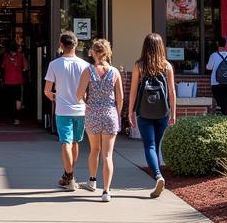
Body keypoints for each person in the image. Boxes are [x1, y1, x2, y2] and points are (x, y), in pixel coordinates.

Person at [128, 33, 176, 198]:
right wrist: (173, 113)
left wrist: (130, 112)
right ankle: (158, 175)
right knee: (156, 145)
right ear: (161, 47)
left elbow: (133, 90)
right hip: (163, 112)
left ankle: (157, 175)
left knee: (149, 146)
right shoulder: (167, 66)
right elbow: (171, 92)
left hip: (144, 112)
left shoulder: (139, 65)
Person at [75, 38, 123, 202]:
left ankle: (92, 180)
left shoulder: (88, 71)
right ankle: (107, 191)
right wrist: (117, 114)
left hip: (93, 113)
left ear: (94, 53)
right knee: (107, 155)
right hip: (110, 114)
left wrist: (87, 100)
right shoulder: (115, 72)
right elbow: (120, 97)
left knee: (94, 149)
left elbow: (79, 94)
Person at [43, 30, 90, 191]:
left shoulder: (54, 64)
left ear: (61, 45)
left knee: (66, 143)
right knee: (75, 142)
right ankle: (68, 175)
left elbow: (47, 91)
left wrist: (56, 98)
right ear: (76, 45)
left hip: (63, 110)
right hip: (80, 109)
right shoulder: (85, 65)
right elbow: (88, 90)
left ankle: (69, 177)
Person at [205, 36, 227, 115]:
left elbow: (209, 68)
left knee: (220, 103)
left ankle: (223, 116)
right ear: (226, 45)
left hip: (216, 83)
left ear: (217, 45)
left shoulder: (213, 55)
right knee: (226, 102)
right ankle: (225, 116)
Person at [0, 40, 29, 125]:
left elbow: (2, 67)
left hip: (8, 81)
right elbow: (26, 68)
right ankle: (17, 118)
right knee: (18, 99)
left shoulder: (6, 56)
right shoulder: (21, 56)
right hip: (18, 81)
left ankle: (10, 117)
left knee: (9, 99)